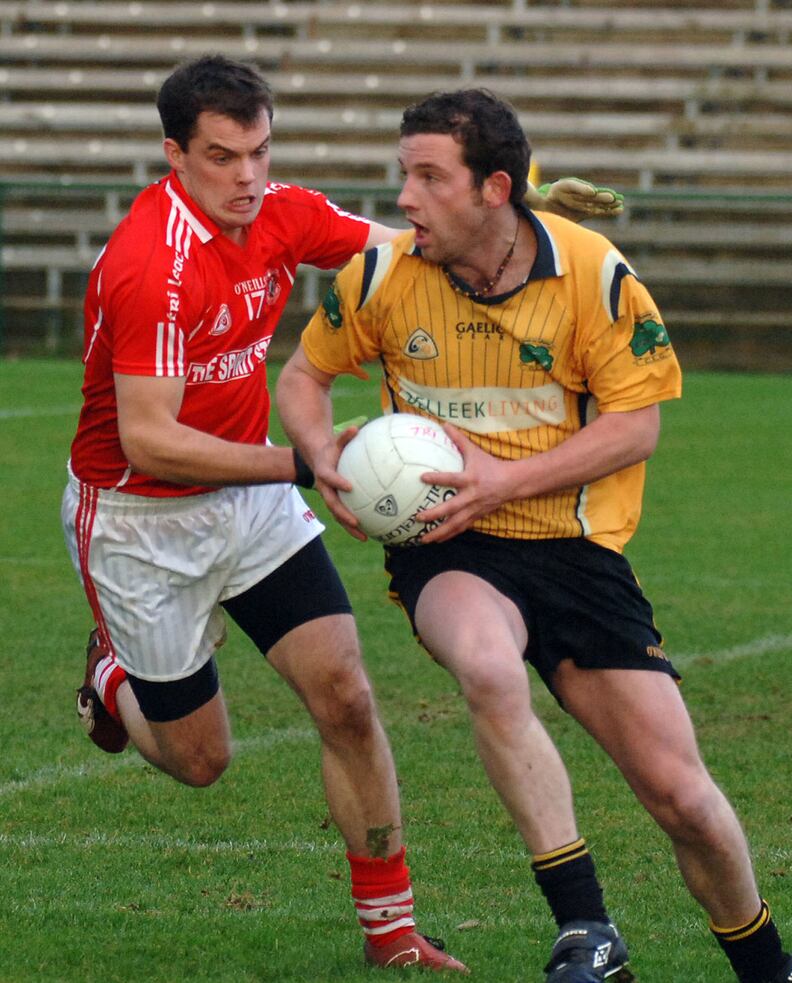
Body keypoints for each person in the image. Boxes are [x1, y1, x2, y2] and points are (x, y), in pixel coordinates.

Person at [276, 88, 792, 983]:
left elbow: (636, 426)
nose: (403, 197)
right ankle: (585, 928)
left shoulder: (593, 274)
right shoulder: (381, 276)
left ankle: (765, 963)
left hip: (576, 551)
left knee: (681, 795)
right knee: (482, 661)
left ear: (495, 189)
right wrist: (324, 454)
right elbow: (303, 374)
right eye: (403, 173)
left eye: (428, 176)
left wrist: (503, 483)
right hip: (450, 545)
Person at [61, 53, 472, 974]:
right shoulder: (150, 267)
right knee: (200, 761)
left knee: (348, 697)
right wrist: (309, 460)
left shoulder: (282, 212)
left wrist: (511, 222)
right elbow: (148, 441)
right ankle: (113, 678)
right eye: (220, 156)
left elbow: (407, 249)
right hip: (138, 522)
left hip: (251, 504)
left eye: (258, 151)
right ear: (175, 154)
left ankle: (392, 932)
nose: (246, 176)